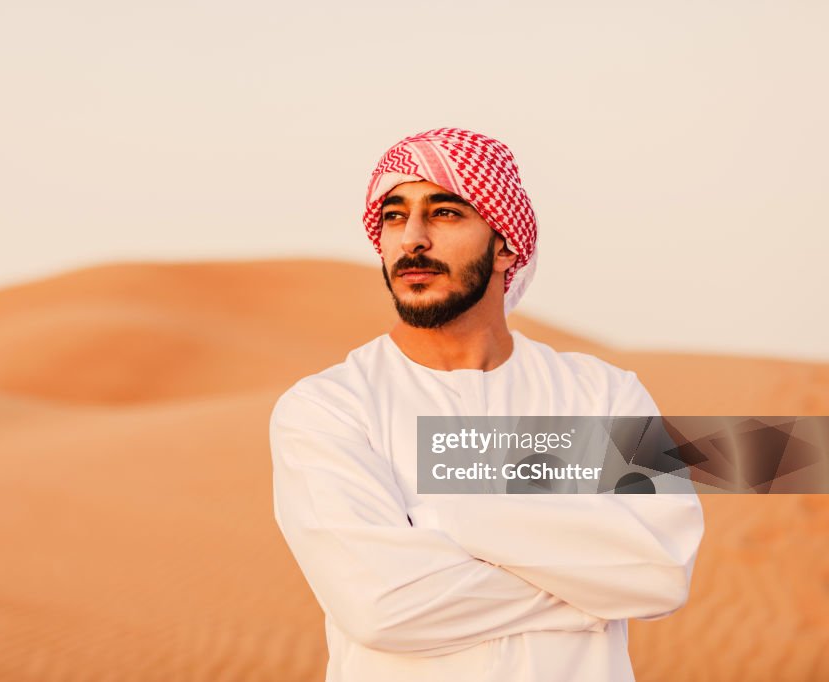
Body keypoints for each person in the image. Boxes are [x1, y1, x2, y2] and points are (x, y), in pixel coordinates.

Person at [269, 127, 704, 682]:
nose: (412, 240)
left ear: (506, 245)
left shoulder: (603, 393)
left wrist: (445, 517)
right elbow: (382, 607)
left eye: (445, 213)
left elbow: (660, 571)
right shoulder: (329, 408)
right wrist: (591, 588)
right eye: (395, 216)